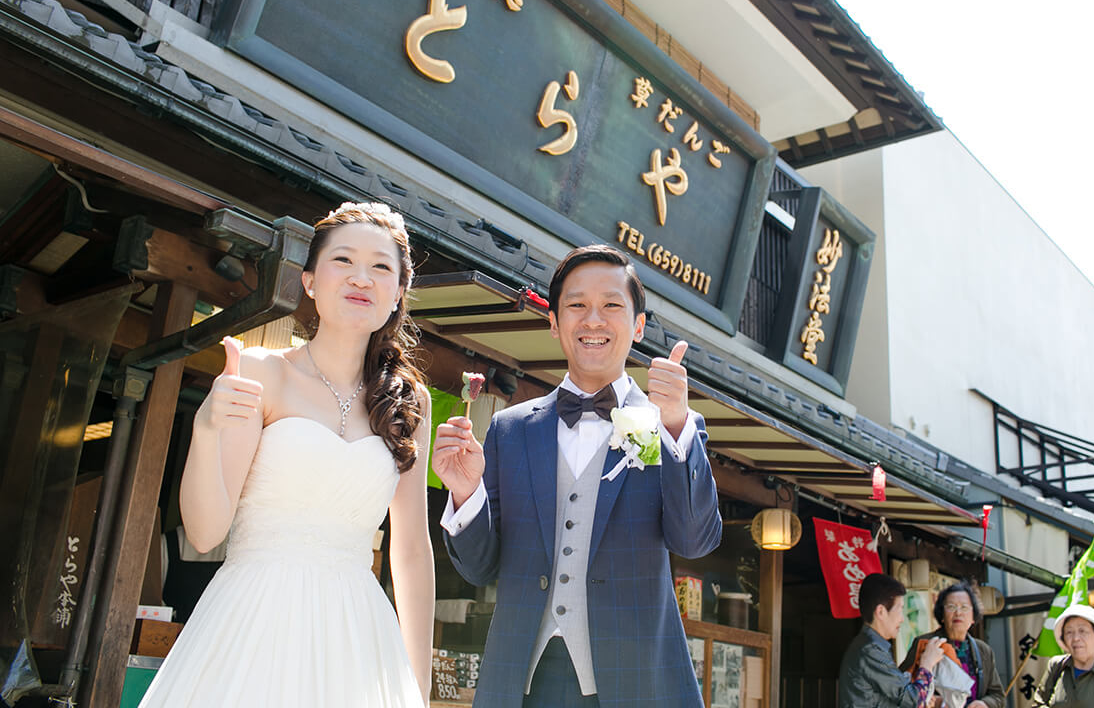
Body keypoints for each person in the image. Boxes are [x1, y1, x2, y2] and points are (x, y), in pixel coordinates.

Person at [139, 202, 433, 707]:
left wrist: (418, 684)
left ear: (399, 292)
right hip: (254, 618)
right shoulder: (260, 372)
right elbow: (207, 532)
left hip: (358, 635)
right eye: (343, 261)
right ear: (311, 280)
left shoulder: (411, 402)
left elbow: (410, 552)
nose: (362, 278)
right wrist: (207, 429)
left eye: (381, 267)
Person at [431, 244, 722, 707]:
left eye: (611, 305)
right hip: (524, 681)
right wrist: (466, 492)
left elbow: (694, 541)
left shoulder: (665, 423)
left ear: (638, 325)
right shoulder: (512, 429)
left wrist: (675, 426)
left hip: (635, 683)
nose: (593, 320)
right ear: (554, 323)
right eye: (577, 305)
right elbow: (480, 567)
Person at [839, 572, 945, 708]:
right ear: (881, 612)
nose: (902, 618)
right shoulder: (871, 650)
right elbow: (913, 700)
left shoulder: (868, 645)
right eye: (900, 609)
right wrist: (927, 664)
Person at [900, 581, 1003, 708]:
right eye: (951, 607)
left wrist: (985, 704)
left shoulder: (984, 650)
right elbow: (901, 685)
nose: (958, 613)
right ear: (942, 615)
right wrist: (931, 699)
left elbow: (997, 695)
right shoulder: (925, 643)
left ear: (973, 617)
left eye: (964, 607)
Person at [1032, 604, 1094, 708]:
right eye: (1069, 632)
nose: (1075, 638)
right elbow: (1039, 703)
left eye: (1082, 631)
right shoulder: (1056, 666)